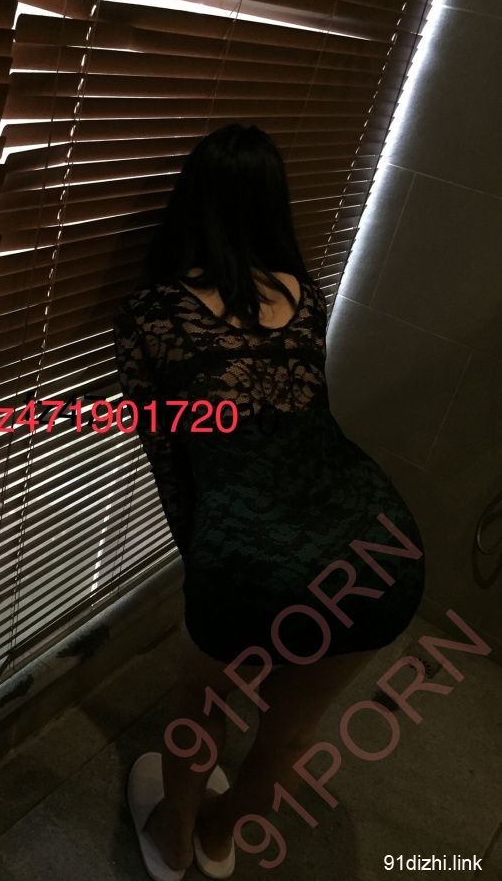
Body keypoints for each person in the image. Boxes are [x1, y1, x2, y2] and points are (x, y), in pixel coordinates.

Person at [111, 123, 426, 880]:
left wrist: (207, 566)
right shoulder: (301, 293)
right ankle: (221, 836)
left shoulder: (152, 314)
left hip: (250, 552)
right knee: (292, 730)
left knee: (203, 708)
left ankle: (174, 838)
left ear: (189, 202)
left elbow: (171, 462)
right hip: (379, 541)